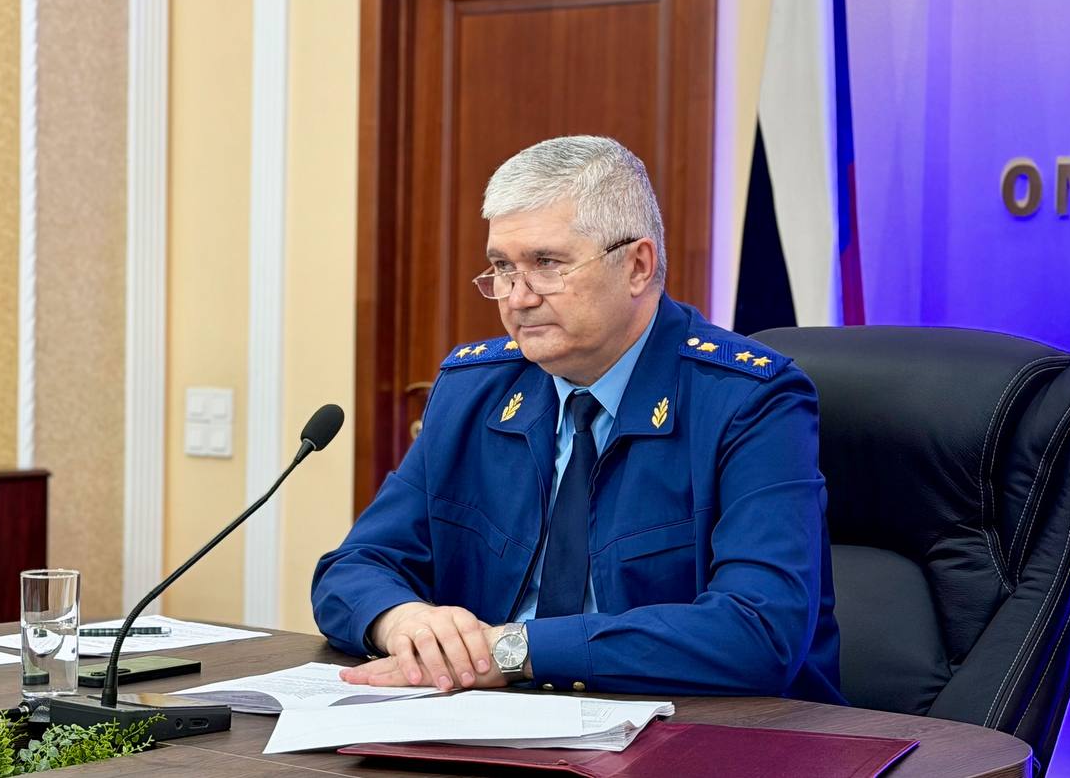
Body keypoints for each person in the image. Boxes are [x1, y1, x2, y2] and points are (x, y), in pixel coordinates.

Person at [312, 135, 843, 702]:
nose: (517, 298)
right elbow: (353, 568)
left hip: (698, 725)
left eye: (546, 264)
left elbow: (758, 631)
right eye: (502, 267)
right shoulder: (474, 389)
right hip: (489, 720)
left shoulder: (749, 400)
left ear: (637, 266)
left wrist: (511, 652)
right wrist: (404, 621)